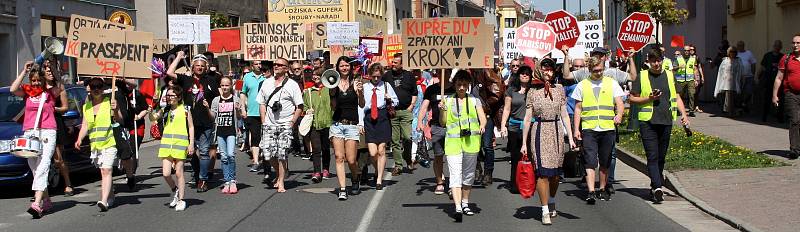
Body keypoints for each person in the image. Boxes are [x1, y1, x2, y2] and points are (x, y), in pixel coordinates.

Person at [563, 46, 636, 192]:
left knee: (610, 154)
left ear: (606, 57)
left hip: (608, 121)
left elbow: (633, 77)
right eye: (596, 55)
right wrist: (566, 56)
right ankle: (589, 180)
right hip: (589, 123)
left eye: (601, 55)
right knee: (589, 154)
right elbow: (567, 76)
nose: (599, 58)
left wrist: (631, 58)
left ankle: (608, 182)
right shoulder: (585, 73)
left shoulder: (613, 74)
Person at [629, 48, 691, 203]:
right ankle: (657, 187)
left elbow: (676, 96)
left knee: (661, 157)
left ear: (662, 60)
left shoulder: (669, 75)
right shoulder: (642, 76)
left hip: (666, 120)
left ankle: (654, 185)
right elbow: (632, 99)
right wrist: (648, 98)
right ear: (648, 61)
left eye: (659, 60)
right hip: (648, 122)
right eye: (653, 61)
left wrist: (684, 115)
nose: (656, 64)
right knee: (652, 155)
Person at [520, 58, 576, 225]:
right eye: (545, 69)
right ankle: (544, 209)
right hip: (540, 131)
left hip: (556, 130)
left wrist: (571, 137)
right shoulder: (532, 91)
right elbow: (528, 118)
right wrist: (524, 142)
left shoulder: (559, 89)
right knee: (543, 172)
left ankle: (551, 199)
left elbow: (565, 113)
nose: (548, 72)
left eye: (551, 69)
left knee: (555, 175)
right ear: (539, 70)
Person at [571, 56, 626, 204]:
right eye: (595, 71)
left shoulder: (611, 83)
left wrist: (619, 115)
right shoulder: (582, 85)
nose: (599, 73)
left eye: (601, 70)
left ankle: (602, 189)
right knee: (589, 161)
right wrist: (576, 128)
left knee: (605, 161)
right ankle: (591, 191)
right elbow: (578, 108)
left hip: (607, 128)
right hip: (589, 128)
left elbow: (620, 102)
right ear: (589, 70)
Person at [11, 62, 59, 218]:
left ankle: (36, 204)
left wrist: (52, 69)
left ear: (44, 80)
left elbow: (61, 85)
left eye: (39, 80)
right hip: (30, 133)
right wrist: (24, 71)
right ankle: (47, 200)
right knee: (35, 168)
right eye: (34, 80)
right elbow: (12, 89)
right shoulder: (27, 92)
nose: (36, 83)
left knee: (44, 165)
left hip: (47, 132)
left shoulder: (50, 93)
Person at [166, 51, 219, 192]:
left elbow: (217, 100)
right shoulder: (186, 79)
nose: (200, 68)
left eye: (202, 66)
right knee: (192, 152)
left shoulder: (211, 80)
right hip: (188, 123)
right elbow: (170, 72)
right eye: (197, 65)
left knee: (204, 151)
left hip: (205, 122)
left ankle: (203, 179)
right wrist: (178, 57)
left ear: (205, 67)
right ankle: (197, 174)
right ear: (193, 67)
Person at [439, 70, 487, 222]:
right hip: (453, 143)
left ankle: (465, 203)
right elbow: (443, 123)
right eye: (459, 84)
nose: (461, 87)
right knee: (455, 175)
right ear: (454, 85)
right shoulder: (447, 100)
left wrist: (483, 126)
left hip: (471, 143)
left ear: (468, 86)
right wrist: (442, 110)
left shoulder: (474, 100)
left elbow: (482, 118)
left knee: (468, 175)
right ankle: (458, 207)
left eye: (464, 85)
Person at [74, 77, 123, 211]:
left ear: (103, 89)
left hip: (109, 142)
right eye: (93, 86)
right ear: (89, 88)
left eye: (99, 86)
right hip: (95, 145)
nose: (96, 89)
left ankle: (103, 200)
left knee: (106, 170)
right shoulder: (86, 106)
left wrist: (116, 109)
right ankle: (110, 196)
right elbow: (85, 125)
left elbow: (120, 120)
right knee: (104, 171)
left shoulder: (110, 102)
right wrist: (79, 139)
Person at [257, 57, 303, 193]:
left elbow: (299, 106)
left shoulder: (292, 85)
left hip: (285, 124)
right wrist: (264, 120)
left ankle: (281, 181)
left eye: (279, 65)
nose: (276, 66)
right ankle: (280, 172)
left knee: (282, 154)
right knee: (268, 154)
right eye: (275, 64)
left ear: (286, 69)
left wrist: (292, 122)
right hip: (269, 124)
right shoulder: (266, 83)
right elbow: (262, 103)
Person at [153, 85, 194, 211]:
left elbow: (191, 127)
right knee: (165, 173)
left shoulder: (186, 109)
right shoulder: (165, 110)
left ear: (179, 97)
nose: (169, 98)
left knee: (178, 172)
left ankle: (181, 200)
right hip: (166, 145)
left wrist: (191, 143)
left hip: (180, 144)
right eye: (168, 95)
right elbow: (153, 118)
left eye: (172, 95)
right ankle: (175, 190)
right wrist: (153, 106)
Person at [358, 63, 398, 190]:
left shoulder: (386, 86)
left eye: (379, 77)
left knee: (381, 150)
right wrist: (360, 122)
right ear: (370, 75)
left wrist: (389, 98)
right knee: (372, 152)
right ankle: (376, 169)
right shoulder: (364, 87)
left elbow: (396, 101)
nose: (376, 79)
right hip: (369, 118)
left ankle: (379, 178)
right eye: (374, 76)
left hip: (382, 117)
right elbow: (361, 106)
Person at [330, 56, 364, 200]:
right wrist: (332, 92)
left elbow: (362, 104)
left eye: (346, 66)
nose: (344, 68)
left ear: (350, 67)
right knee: (339, 157)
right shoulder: (333, 83)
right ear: (337, 68)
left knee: (351, 160)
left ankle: (355, 178)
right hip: (337, 124)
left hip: (351, 125)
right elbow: (333, 107)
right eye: (341, 66)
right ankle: (343, 188)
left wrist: (360, 92)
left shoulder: (356, 82)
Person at [416, 74, 455, 195]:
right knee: (438, 155)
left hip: (453, 127)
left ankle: (453, 185)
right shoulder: (431, 89)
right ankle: (439, 182)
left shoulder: (455, 88)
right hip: (437, 127)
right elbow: (424, 107)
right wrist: (419, 122)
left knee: (453, 157)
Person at [42, 59, 74, 196]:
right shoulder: (39, 88)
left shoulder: (58, 87)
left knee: (58, 158)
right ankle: (41, 190)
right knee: (41, 159)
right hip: (41, 123)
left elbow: (65, 108)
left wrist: (53, 108)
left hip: (55, 122)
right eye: (47, 70)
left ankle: (67, 183)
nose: (49, 72)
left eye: (51, 71)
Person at [382, 53, 418, 176]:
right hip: (392, 112)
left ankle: (407, 157)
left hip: (406, 111)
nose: (392, 64)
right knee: (395, 140)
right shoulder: (387, 76)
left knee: (407, 137)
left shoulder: (409, 76)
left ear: (402, 64)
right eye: (392, 62)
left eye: (395, 63)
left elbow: (415, 92)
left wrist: (411, 106)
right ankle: (398, 165)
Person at [500, 65, 533, 193]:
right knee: (515, 157)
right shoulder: (511, 90)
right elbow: (507, 109)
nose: (524, 76)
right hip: (514, 126)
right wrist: (503, 125)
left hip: (530, 127)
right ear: (518, 76)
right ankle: (514, 183)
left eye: (527, 74)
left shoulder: (533, 91)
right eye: (522, 73)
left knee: (529, 156)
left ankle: (529, 182)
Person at [472, 69, 505, 185]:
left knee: (487, 145)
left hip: (486, 114)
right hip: (470, 117)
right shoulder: (462, 76)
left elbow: (497, 92)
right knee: (473, 146)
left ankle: (488, 172)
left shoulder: (483, 73)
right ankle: (477, 168)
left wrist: (485, 106)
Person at [772, 34, 800, 160]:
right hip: (791, 93)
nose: (795, 45)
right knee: (794, 120)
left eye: (798, 43)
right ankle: (794, 149)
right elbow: (779, 78)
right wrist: (774, 95)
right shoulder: (786, 58)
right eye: (793, 43)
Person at [304, 67, 334, 183]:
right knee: (316, 148)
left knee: (326, 148)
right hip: (314, 124)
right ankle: (317, 171)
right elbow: (305, 106)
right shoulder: (308, 92)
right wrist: (307, 110)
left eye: (318, 75)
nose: (315, 77)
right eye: (314, 75)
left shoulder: (329, 89)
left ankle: (325, 169)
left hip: (327, 123)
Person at [211, 76, 241, 194]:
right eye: (222, 85)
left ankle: (233, 180)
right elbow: (212, 116)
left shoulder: (235, 99)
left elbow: (239, 117)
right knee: (223, 157)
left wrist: (238, 110)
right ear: (220, 86)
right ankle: (227, 181)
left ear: (231, 86)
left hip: (231, 131)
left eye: (227, 85)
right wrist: (207, 109)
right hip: (220, 132)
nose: (225, 87)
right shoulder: (216, 100)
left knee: (230, 155)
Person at [240, 61, 268, 173]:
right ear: (252, 66)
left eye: (260, 63)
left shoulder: (266, 77)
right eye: (256, 64)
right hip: (252, 112)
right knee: (255, 137)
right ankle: (256, 161)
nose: (259, 65)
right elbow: (243, 92)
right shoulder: (247, 77)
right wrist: (243, 108)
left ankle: (268, 159)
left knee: (266, 137)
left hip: (266, 112)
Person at [760, 40, 785, 122]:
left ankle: (779, 117)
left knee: (780, 100)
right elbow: (762, 67)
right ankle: (764, 117)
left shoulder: (783, 57)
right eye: (775, 46)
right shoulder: (768, 56)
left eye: (778, 46)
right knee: (767, 99)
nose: (776, 47)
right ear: (773, 46)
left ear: (780, 47)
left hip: (779, 82)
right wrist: (760, 77)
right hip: (769, 81)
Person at [714, 47, 744, 116]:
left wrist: (741, 78)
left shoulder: (738, 60)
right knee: (727, 96)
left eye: (734, 52)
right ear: (728, 52)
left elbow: (741, 70)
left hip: (734, 81)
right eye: (731, 52)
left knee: (734, 96)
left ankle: (733, 111)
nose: (732, 53)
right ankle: (729, 111)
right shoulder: (725, 60)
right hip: (726, 81)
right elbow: (721, 71)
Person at [675, 45, 703, 117]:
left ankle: (691, 110)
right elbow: (673, 68)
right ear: (683, 51)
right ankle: (678, 110)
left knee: (692, 94)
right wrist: (678, 67)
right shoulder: (678, 58)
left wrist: (696, 79)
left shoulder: (693, 59)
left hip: (690, 80)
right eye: (685, 50)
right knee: (680, 95)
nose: (687, 52)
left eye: (688, 50)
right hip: (680, 80)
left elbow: (695, 69)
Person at [737, 41, 758, 111]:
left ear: (743, 46)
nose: (739, 47)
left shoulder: (748, 53)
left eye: (741, 45)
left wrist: (753, 74)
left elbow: (753, 63)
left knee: (749, 91)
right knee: (740, 92)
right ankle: (741, 106)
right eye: (738, 45)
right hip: (739, 77)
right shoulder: (736, 54)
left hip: (749, 76)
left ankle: (744, 103)